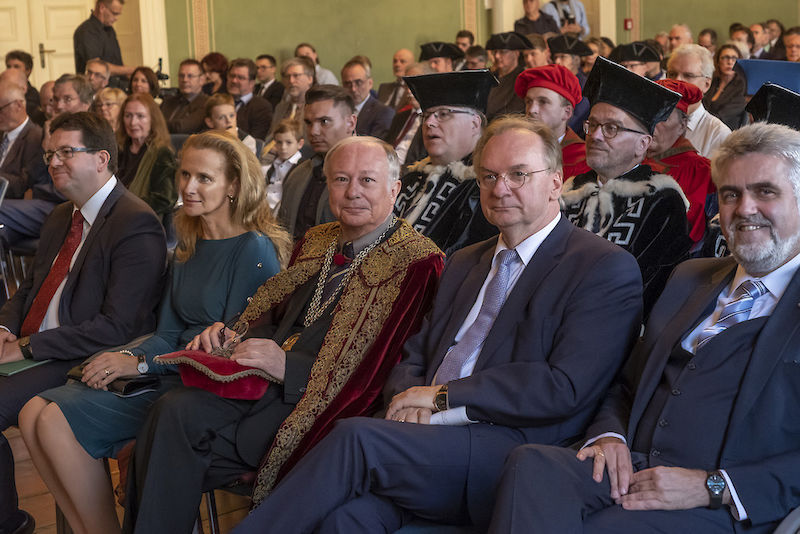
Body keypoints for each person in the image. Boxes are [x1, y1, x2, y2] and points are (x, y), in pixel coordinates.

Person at [231, 116, 643, 534]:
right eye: (488, 176)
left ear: (556, 181)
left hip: (508, 448)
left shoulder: (601, 266)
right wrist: (408, 400)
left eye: (519, 174)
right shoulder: (466, 260)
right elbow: (416, 351)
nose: (500, 188)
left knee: (353, 438)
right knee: (346, 521)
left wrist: (441, 398)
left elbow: (564, 386)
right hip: (424, 442)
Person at [122, 135, 445, 534]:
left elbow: (383, 369)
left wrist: (287, 366)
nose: (353, 192)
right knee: (166, 412)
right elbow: (276, 316)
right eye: (341, 179)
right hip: (259, 386)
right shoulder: (318, 239)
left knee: (166, 438)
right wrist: (233, 333)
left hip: (322, 406)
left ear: (394, 189)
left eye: (368, 181)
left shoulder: (418, 262)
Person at [489, 121, 800, 534]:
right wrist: (609, 436)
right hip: (633, 468)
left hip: (725, 503)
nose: (744, 209)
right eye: (730, 194)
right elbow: (624, 383)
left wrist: (713, 486)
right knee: (533, 465)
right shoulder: (691, 277)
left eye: (765, 192)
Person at [18, 130, 289, 534]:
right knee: (31, 412)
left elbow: (227, 354)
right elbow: (168, 331)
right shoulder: (189, 244)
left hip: (200, 386)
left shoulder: (253, 249)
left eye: (204, 178)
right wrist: (130, 358)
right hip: (165, 369)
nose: (188, 187)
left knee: (54, 419)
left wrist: (141, 365)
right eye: (184, 175)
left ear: (234, 185)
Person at [0, 111, 166, 534]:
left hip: (79, 357)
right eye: (50, 153)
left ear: (101, 158)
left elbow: (120, 327)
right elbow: (29, 290)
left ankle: (11, 524)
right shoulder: (61, 216)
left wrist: (27, 347)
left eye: (66, 152)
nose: (53, 162)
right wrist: (4, 330)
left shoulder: (135, 221)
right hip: (33, 346)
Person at [562, 57, 691, 316]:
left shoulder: (661, 199)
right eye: (593, 125)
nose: (595, 136)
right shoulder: (571, 189)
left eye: (611, 128)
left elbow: (646, 284)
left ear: (643, 144)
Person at [394, 70, 499, 255]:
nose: (429, 123)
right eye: (426, 115)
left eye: (443, 114)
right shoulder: (412, 179)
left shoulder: (487, 185)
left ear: (475, 124)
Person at [277, 85, 356, 241]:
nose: (313, 131)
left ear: (350, 123)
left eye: (324, 121)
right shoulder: (297, 174)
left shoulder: (370, 175)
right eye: (308, 123)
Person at [648, 79, 715, 248]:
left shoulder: (703, 171)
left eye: (663, 118)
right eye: (649, 115)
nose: (652, 124)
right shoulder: (627, 160)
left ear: (682, 125)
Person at [0, 79, 58, 255]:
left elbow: (26, 183)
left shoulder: (36, 136)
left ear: (18, 105)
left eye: (0, 109)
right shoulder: (3, 135)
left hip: (25, 203)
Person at [515, 64, 591, 180]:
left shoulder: (582, 159)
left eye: (543, 102)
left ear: (567, 112)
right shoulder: (515, 147)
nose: (531, 110)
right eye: (529, 102)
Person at [116, 93, 177, 221]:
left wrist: (124, 206)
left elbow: (165, 199)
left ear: (152, 119)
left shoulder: (162, 153)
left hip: (141, 220)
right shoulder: (118, 149)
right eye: (128, 116)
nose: (133, 122)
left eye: (140, 116)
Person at [667, 44, 731, 159]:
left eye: (688, 75)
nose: (677, 81)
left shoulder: (718, 134)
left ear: (706, 84)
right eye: (672, 74)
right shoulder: (653, 123)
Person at [73, 0, 135, 87]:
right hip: (97, 90)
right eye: (114, 13)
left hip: (116, 87)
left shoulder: (110, 30)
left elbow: (117, 63)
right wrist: (131, 70)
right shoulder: (86, 31)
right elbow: (97, 67)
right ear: (102, 8)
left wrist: (137, 75)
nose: (117, 18)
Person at [341, 57, 394, 139]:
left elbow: (375, 146)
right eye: (348, 84)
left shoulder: (383, 113)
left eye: (358, 82)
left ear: (370, 83)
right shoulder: (339, 110)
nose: (353, 89)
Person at [485, 32, 530, 120]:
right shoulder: (488, 76)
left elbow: (514, 112)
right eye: (495, 52)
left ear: (516, 53)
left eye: (502, 52)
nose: (497, 56)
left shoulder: (522, 79)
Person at [267, 57, 315, 139]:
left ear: (310, 79)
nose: (291, 81)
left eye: (296, 76)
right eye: (287, 76)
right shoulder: (280, 108)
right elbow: (271, 136)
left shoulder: (314, 108)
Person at [703, 44, 748, 130]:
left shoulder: (742, 87)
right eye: (725, 57)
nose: (730, 62)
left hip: (727, 132)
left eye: (734, 58)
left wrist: (701, 121)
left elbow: (725, 115)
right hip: (707, 127)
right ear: (718, 62)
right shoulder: (713, 82)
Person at [227, 58, 273, 141]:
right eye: (232, 76)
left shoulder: (262, 107)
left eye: (240, 78)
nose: (234, 81)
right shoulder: (220, 101)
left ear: (252, 83)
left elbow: (256, 141)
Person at [159, 59, 208, 134]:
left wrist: (156, 125)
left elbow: (181, 128)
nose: (184, 80)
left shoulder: (207, 103)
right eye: (181, 76)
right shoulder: (168, 101)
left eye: (190, 76)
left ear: (202, 79)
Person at [203, 93, 260, 157]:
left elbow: (244, 165)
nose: (228, 121)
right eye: (221, 117)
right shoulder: (204, 140)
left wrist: (233, 141)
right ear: (209, 122)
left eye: (231, 115)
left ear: (236, 115)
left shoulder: (248, 141)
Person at [264, 119, 304, 211]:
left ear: (300, 144)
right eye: (279, 142)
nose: (283, 147)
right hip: (265, 208)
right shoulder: (275, 163)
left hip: (282, 211)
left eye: (288, 142)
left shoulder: (301, 167)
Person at [4, 51, 41, 123]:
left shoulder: (33, 95)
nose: (11, 70)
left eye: (16, 66)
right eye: (8, 67)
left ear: (28, 70)